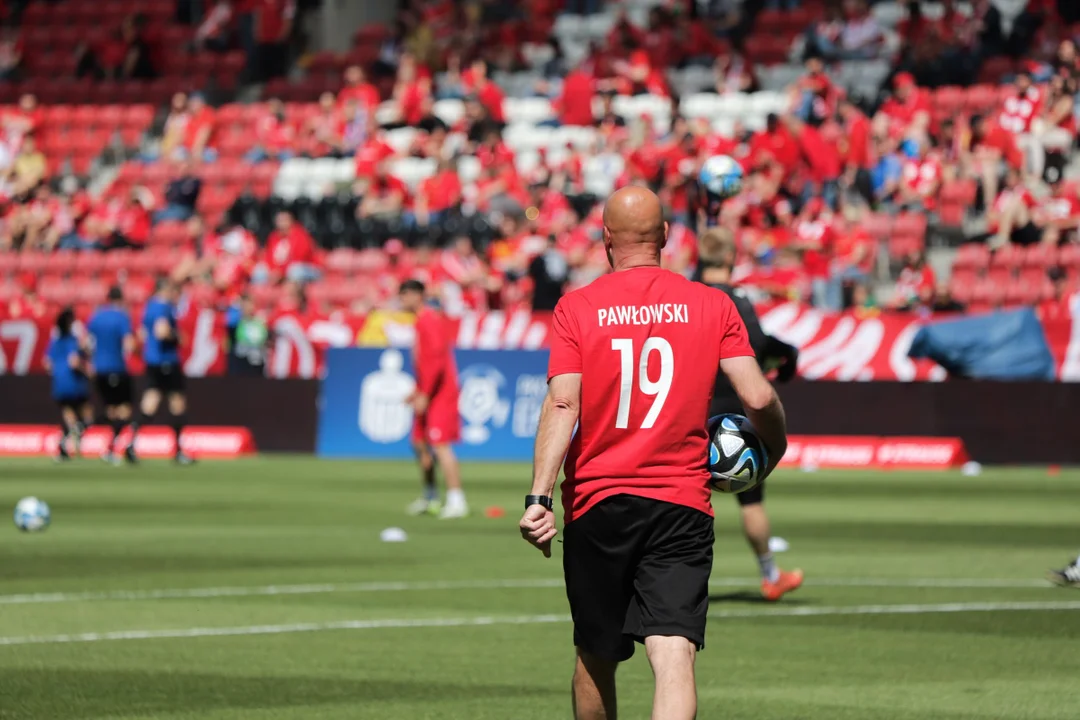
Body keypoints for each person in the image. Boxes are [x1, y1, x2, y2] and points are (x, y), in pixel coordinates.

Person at [519, 187, 788, 720]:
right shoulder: (715, 304)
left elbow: (563, 402)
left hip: (600, 502)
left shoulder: (577, 307)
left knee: (597, 654)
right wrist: (774, 450)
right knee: (674, 653)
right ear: (666, 236)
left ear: (604, 240)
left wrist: (539, 498)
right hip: (682, 504)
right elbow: (756, 395)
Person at [695, 227, 803, 601]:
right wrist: (787, 353)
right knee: (751, 501)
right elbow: (755, 346)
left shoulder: (687, 297)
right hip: (733, 417)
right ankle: (771, 575)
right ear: (730, 258)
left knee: (686, 499)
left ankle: (675, 576)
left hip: (691, 411)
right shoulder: (736, 300)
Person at [399, 279, 468, 519]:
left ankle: (457, 500)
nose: (403, 299)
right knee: (418, 442)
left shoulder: (429, 320)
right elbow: (424, 361)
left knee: (440, 445)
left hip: (440, 393)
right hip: (427, 391)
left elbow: (437, 361)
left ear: (419, 296)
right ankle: (430, 496)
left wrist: (426, 394)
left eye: (407, 294)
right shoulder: (420, 322)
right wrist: (417, 390)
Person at [132, 280, 194, 465]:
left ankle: (130, 443)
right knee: (177, 403)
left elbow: (142, 334)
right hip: (166, 361)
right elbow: (161, 331)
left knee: (150, 403)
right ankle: (178, 450)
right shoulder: (164, 307)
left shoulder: (148, 307)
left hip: (152, 361)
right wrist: (177, 336)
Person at [87, 286, 137, 465]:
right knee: (124, 410)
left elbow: (87, 343)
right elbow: (129, 344)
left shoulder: (96, 316)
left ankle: (110, 446)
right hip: (116, 367)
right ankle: (112, 447)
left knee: (110, 409)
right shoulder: (122, 317)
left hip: (99, 369)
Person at [43, 308, 92, 462]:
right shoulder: (72, 340)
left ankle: (66, 446)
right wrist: (86, 370)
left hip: (59, 382)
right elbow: (74, 361)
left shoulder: (55, 341)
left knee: (68, 413)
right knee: (87, 415)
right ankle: (73, 437)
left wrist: (58, 370)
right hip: (74, 382)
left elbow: (47, 363)